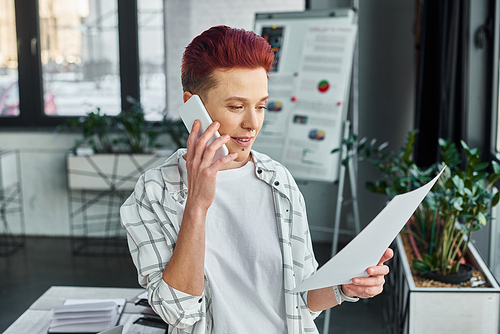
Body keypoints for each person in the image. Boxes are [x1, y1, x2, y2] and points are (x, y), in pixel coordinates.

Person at [120, 25, 393, 334]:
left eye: (261, 106)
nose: (252, 123)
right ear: (192, 105)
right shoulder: (155, 191)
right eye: (236, 106)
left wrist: (346, 286)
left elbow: (301, 301)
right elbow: (178, 312)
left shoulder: (278, 181)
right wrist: (197, 205)